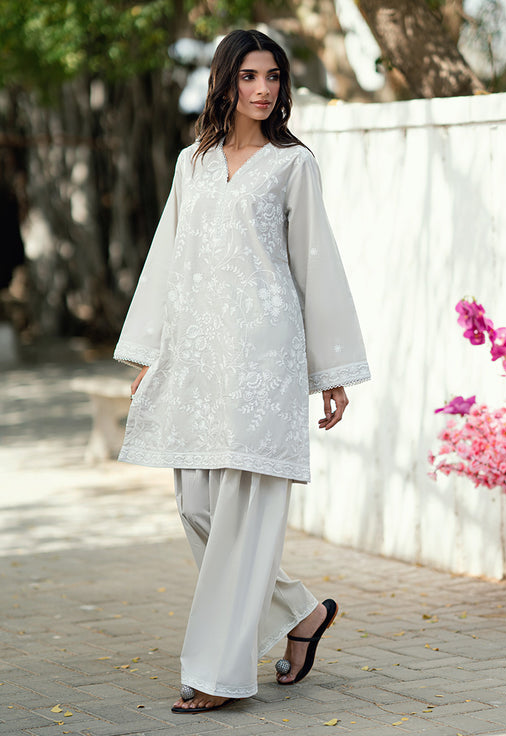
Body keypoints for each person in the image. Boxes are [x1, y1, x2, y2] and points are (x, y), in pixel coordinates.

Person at [114, 28, 370, 714]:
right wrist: (150, 352)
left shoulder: (293, 164)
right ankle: (300, 613)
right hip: (198, 360)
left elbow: (317, 266)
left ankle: (217, 674)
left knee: (244, 520)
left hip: (265, 359)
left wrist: (331, 371)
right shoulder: (191, 162)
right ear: (223, 82)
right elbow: (167, 260)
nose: (262, 89)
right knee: (197, 507)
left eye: (273, 76)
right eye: (249, 76)